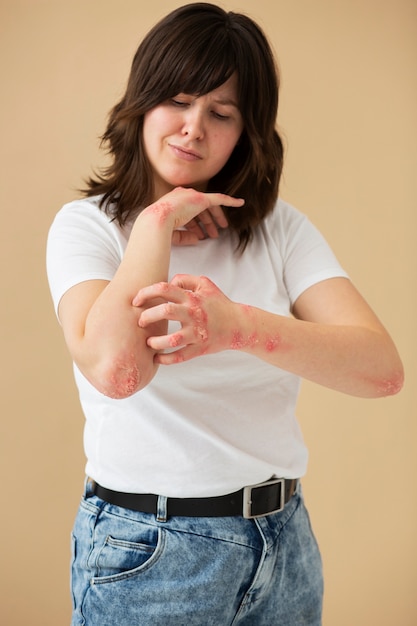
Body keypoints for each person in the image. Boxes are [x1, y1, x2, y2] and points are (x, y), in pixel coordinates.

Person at [46, 3, 404, 625]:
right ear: (142, 103)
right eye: (178, 101)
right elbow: (117, 371)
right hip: (151, 551)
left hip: (284, 542)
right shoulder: (88, 228)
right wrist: (156, 221)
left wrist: (236, 327)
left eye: (221, 113)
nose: (193, 129)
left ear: (247, 132)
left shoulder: (279, 230)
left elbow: (381, 371)